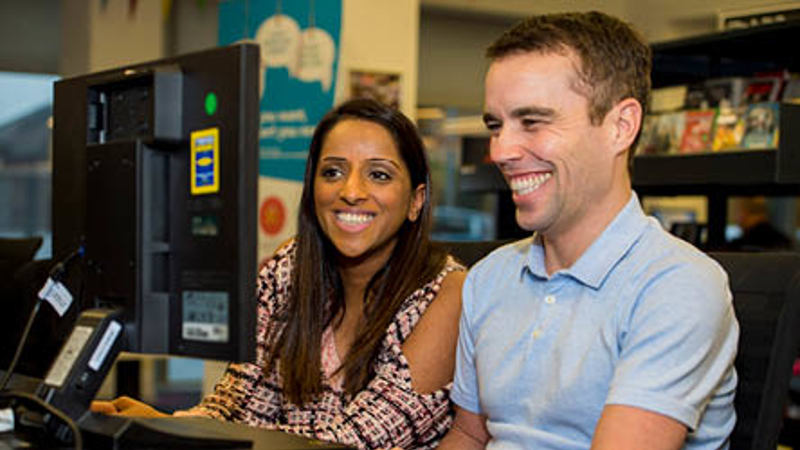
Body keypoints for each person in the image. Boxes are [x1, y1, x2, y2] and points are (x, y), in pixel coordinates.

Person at [438, 12, 739, 449]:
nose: (501, 150)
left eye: (533, 121)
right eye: (495, 125)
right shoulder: (490, 277)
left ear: (621, 127)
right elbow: (468, 433)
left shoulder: (678, 285)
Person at [92, 98, 467, 450]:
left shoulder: (447, 293)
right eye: (333, 171)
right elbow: (237, 401)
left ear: (416, 200)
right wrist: (165, 426)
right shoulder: (288, 269)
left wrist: (184, 439)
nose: (351, 192)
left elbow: (354, 443)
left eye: (379, 175)